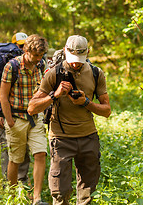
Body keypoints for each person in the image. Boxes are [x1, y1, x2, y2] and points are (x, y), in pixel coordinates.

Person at [28, 35, 111, 204]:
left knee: (88, 193)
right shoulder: (53, 73)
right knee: (60, 193)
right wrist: (54, 95)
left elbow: (107, 111)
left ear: (88, 53)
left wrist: (86, 102)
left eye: (79, 59)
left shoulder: (96, 73)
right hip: (61, 139)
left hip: (88, 137)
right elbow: (32, 108)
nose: (75, 64)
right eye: (72, 59)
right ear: (65, 51)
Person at [0, 34, 49, 205]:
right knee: (15, 159)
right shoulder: (11, 67)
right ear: (26, 51)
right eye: (35, 55)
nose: (38, 59)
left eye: (41, 55)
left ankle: (37, 198)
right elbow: (3, 96)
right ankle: (13, 197)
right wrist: (9, 121)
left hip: (36, 117)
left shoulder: (41, 65)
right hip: (16, 118)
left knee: (41, 154)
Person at [0, 32, 31, 186]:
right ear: (13, 45)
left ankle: (22, 182)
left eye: (25, 45)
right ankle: (8, 184)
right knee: (9, 149)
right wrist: (1, 113)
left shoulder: (31, 62)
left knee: (24, 148)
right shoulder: (8, 63)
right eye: (20, 45)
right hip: (7, 113)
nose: (23, 48)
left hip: (25, 114)